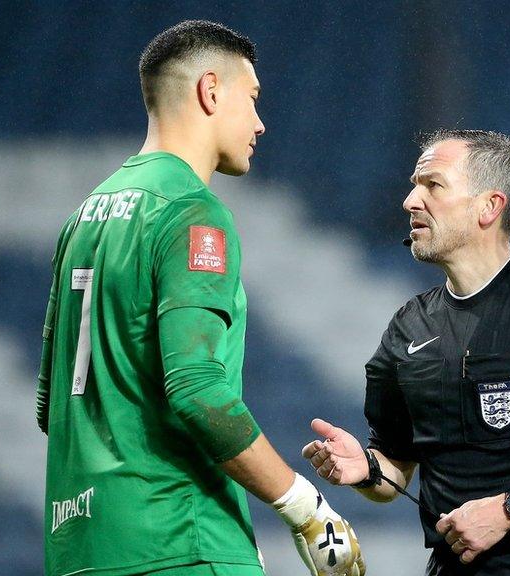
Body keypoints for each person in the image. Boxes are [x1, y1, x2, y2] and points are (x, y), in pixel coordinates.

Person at [36, 20, 363, 576]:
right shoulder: (192, 212)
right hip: (178, 540)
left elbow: (51, 406)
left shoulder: (83, 218)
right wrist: (307, 511)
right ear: (210, 91)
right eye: (252, 98)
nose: (260, 123)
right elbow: (196, 390)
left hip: (79, 551)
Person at [300, 129, 510, 575]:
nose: (410, 200)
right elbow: (395, 470)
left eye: (432, 185)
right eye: (414, 184)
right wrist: (365, 468)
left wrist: (507, 510)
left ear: (489, 206)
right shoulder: (408, 327)